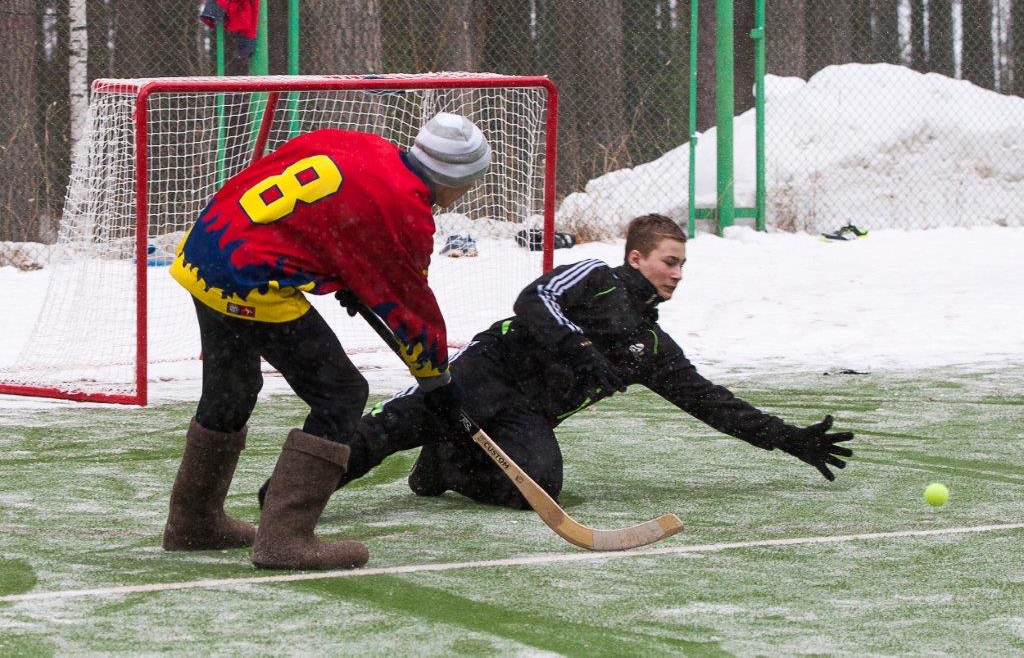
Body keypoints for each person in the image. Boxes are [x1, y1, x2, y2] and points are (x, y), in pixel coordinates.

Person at [280, 214, 853, 512]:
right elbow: (534, 300)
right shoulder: (596, 279)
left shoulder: (650, 350)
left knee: (542, 487)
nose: (677, 273)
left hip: (523, 416)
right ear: (637, 257)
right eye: (669, 261)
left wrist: (789, 440)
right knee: (384, 433)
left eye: (683, 265)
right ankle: (283, 503)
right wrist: (577, 345)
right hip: (480, 376)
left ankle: (447, 465)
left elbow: (711, 403)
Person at [162, 112, 490, 569]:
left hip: (209, 248)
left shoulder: (364, 146)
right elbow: (409, 305)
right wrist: (437, 382)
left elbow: (317, 210)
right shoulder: (405, 206)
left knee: (232, 386)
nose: (461, 197)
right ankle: (285, 538)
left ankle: (193, 521)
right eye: (466, 185)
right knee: (340, 393)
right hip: (249, 275)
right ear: (452, 178)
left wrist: (344, 277)